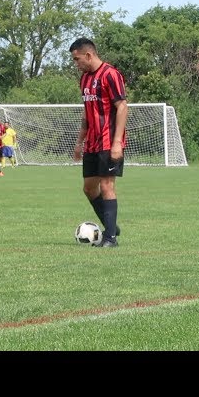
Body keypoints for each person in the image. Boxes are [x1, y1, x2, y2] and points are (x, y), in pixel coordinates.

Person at [70, 37, 128, 248]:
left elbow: (122, 106)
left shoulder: (110, 74)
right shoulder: (84, 79)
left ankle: (111, 238)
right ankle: (110, 225)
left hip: (109, 140)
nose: (76, 64)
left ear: (88, 55)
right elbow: (86, 114)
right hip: (92, 142)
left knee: (106, 186)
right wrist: (79, 142)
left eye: (77, 60)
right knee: (89, 188)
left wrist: (116, 143)